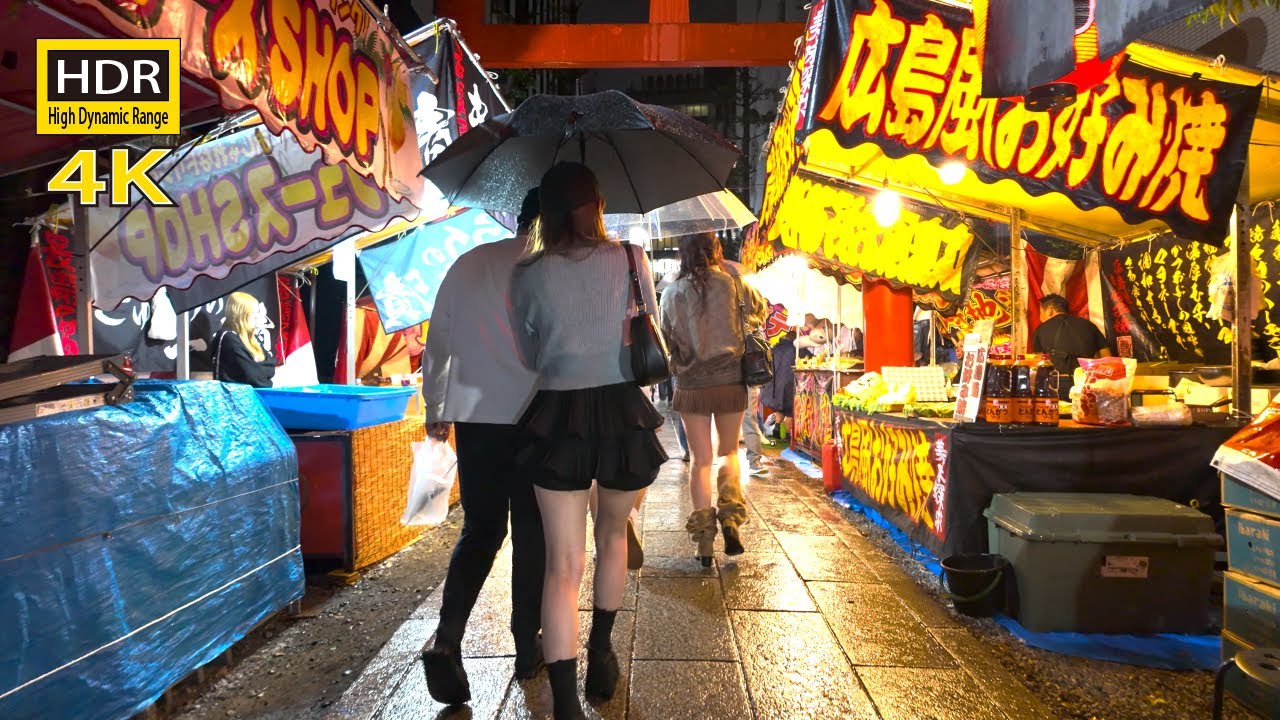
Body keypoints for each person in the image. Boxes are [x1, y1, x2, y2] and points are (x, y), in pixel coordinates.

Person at [509, 162, 667, 720]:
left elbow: (529, 356)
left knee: (562, 564)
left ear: (546, 213)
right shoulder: (630, 258)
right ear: (598, 206)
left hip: (557, 416)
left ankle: (565, 705)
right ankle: (601, 654)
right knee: (613, 536)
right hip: (622, 411)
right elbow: (651, 327)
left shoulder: (527, 273)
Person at [419, 189, 546, 706]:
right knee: (534, 531)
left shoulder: (468, 263)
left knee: (482, 529)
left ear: (518, 219)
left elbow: (438, 345)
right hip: (537, 418)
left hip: (475, 417)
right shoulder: (551, 268)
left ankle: (447, 638)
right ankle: (527, 645)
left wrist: (435, 408)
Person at [660, 231, 767, 566]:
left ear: (683, 254)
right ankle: (731, 518)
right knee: (729, 452)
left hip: (691, 385)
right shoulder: (736, 284)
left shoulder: (672, 292)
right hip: (731, 381)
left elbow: (666, 339)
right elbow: (760, 312)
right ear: (716, 249)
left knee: (700, 460)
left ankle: (704, 543)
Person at [1032, 293, 1112, 375]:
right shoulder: (1089, 325)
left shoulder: (1040, 330)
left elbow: (1038, 363)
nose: (1040, 317)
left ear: (1049, 310)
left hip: (1056, 381)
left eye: (1041, 312)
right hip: (1086, 379)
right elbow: (1107, 358)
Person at [213, 291, 275, 387]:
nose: (257, 316)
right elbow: (252, 375)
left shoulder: (252, 338)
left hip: (256, 393)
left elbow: (271, 368)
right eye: (253, 313)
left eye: (257, 312)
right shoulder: (228, 337)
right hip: (234, 395)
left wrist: (257, 366)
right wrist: (258, 365)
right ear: (241, 314)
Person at [761, 330, 797, 440]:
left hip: (775, 382)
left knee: (780, 408)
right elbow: (808, 356)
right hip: (789, 381)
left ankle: (777, 427)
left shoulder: (775, 348)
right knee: (791, 409)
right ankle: (787, 434)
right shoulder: (795, 348)